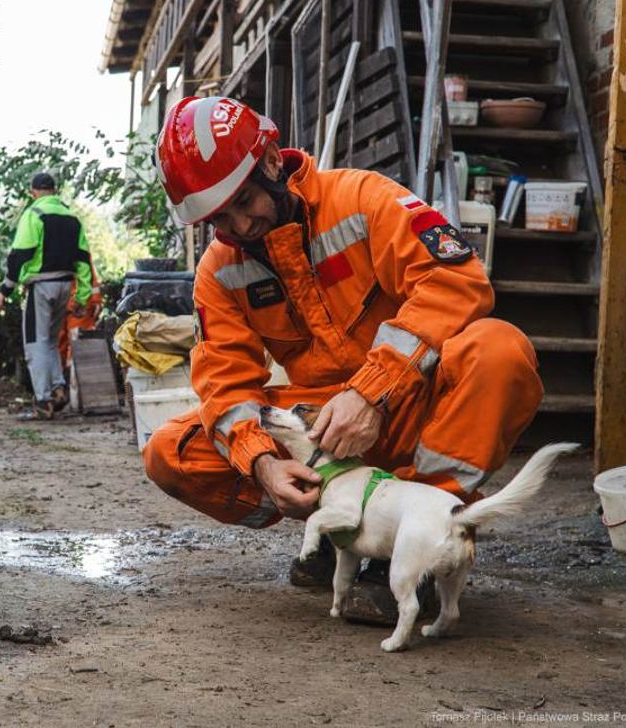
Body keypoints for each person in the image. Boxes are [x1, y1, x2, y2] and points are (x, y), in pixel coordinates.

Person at [143, 96, 543, 623]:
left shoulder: (362, 198)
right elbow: (224, 381)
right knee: (170, 451)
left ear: (269, 162)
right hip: (321, 437)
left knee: (499, 350)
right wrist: (264, 466)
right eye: (221, 219)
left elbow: (457, 281)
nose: (241, 227)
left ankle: (417, 533)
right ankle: (343, 530)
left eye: (245, 203)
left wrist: (371, 392)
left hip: (411, 407)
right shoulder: (220, 271)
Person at [0, 172, 95, 420]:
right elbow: (83, 262)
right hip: (65, 285)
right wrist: (81, 297)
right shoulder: (73, 219)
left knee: (34, 343)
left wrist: (4, 290)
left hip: (41, 286)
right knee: (50, 340)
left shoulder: (34, 215)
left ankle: (42, 400)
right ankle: (58, 388)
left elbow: (20, 255)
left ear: (33, 192)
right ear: (54, 190)